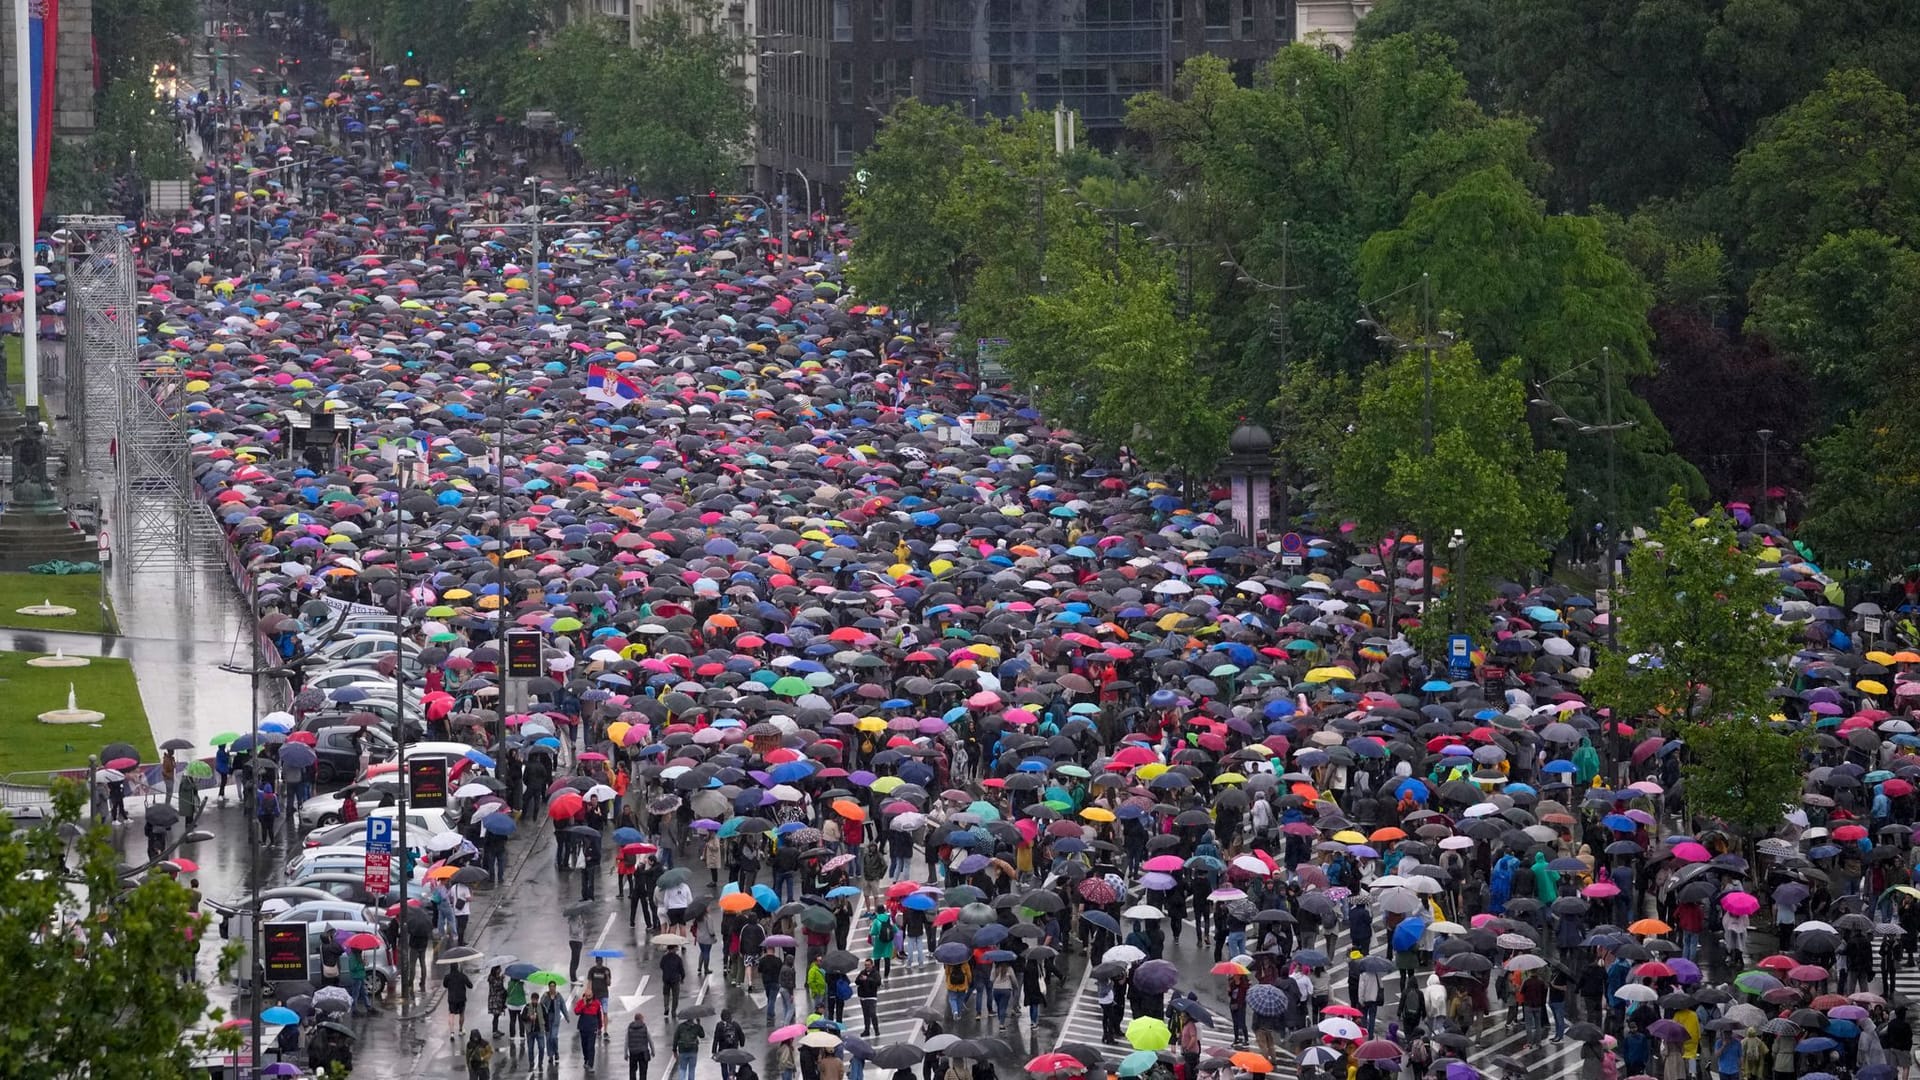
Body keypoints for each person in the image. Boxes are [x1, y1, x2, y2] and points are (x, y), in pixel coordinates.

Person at [443, 964, 474, 1040]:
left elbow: (445, 985)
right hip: (461, 998)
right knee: (461, 1014)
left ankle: (452, 1033)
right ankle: (460, 1030)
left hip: (452, 998)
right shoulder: (462, 976)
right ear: (458, 967)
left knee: (451, 1014)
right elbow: (470, 985)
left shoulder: (448, 976)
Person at [714, 1009, 746, 1080]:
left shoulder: (719, 1025)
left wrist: (714, 1050)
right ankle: (731, 1078)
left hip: (722, 1050)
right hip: (733, 1050)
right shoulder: (735, 1024)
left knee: (724, 1067)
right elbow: (741, 1035)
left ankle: (725, 1079)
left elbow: (716, 1038)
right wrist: (741, 1044)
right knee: (732, 1066)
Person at [673, 1013, 707, 1080]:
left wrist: (674, 1050)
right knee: (691, 1070)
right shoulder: (696, 1027)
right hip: (693, 1051)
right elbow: (702, 1035)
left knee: (682, 1069)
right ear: (693, 1018)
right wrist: (699, 1023)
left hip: (682, 1051)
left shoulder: (680, 1027)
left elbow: (675, 1038)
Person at [576, 991, 604, 1069]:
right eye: (587, 996)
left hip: (592, 1028)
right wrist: (584, 1004)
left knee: (591, 1046)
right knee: (584, 1045)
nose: (588, 997)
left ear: (592, 995)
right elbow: (576, 1012)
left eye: (590, 996)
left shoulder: (597, 1003)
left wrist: (600, 1027)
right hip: (583, 1027)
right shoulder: (581, 1002)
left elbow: (599, 1015)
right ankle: (586, 1059)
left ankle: (590, 1064)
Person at [857, 959, 883, 1037]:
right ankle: (866, 1030)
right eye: (865, 965)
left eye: (868, 965)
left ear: (872, 965)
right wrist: (860, 979)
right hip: (863, 997)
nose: (866, 967)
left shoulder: (875, 973)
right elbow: (856, 981)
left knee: (872, 1013)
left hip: (872, 997)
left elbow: (878, 982)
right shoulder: (862, 972)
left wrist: (867, 979)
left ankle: (876, 1030)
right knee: (866, 1015)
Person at [661, 943, 687, 1017]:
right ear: (674, 948)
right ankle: (673, 1011)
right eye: (676, 947)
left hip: (666, 978)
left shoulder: (664, 957)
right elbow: (681, 969)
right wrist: (682, 978)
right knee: (675, 995)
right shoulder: (677, 958)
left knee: (666, 994)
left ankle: (666, 1007)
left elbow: (661, 966)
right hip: (675, 979)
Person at [627, 1012, 654, 1080]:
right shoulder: (644, 1027)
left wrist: (625, 1053)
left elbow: (626, 1041)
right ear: (641, 1019)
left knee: (632, 1070)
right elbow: (650, 1040)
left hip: (633, 1052)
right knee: (643, 1072)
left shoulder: (630, 1027)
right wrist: (653, 1051)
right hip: (643, 1052)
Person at [487, 964, 507, 1036]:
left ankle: (496, 1030)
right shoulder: (492, 978)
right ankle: (494, 1031)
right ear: (496, 970)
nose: (500, 970)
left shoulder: (495, 977)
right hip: (494, 1000)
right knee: (496, 1015)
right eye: (499, 969)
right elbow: (497, 986)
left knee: (497, 1015)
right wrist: (501, 979)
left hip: (498, 999)